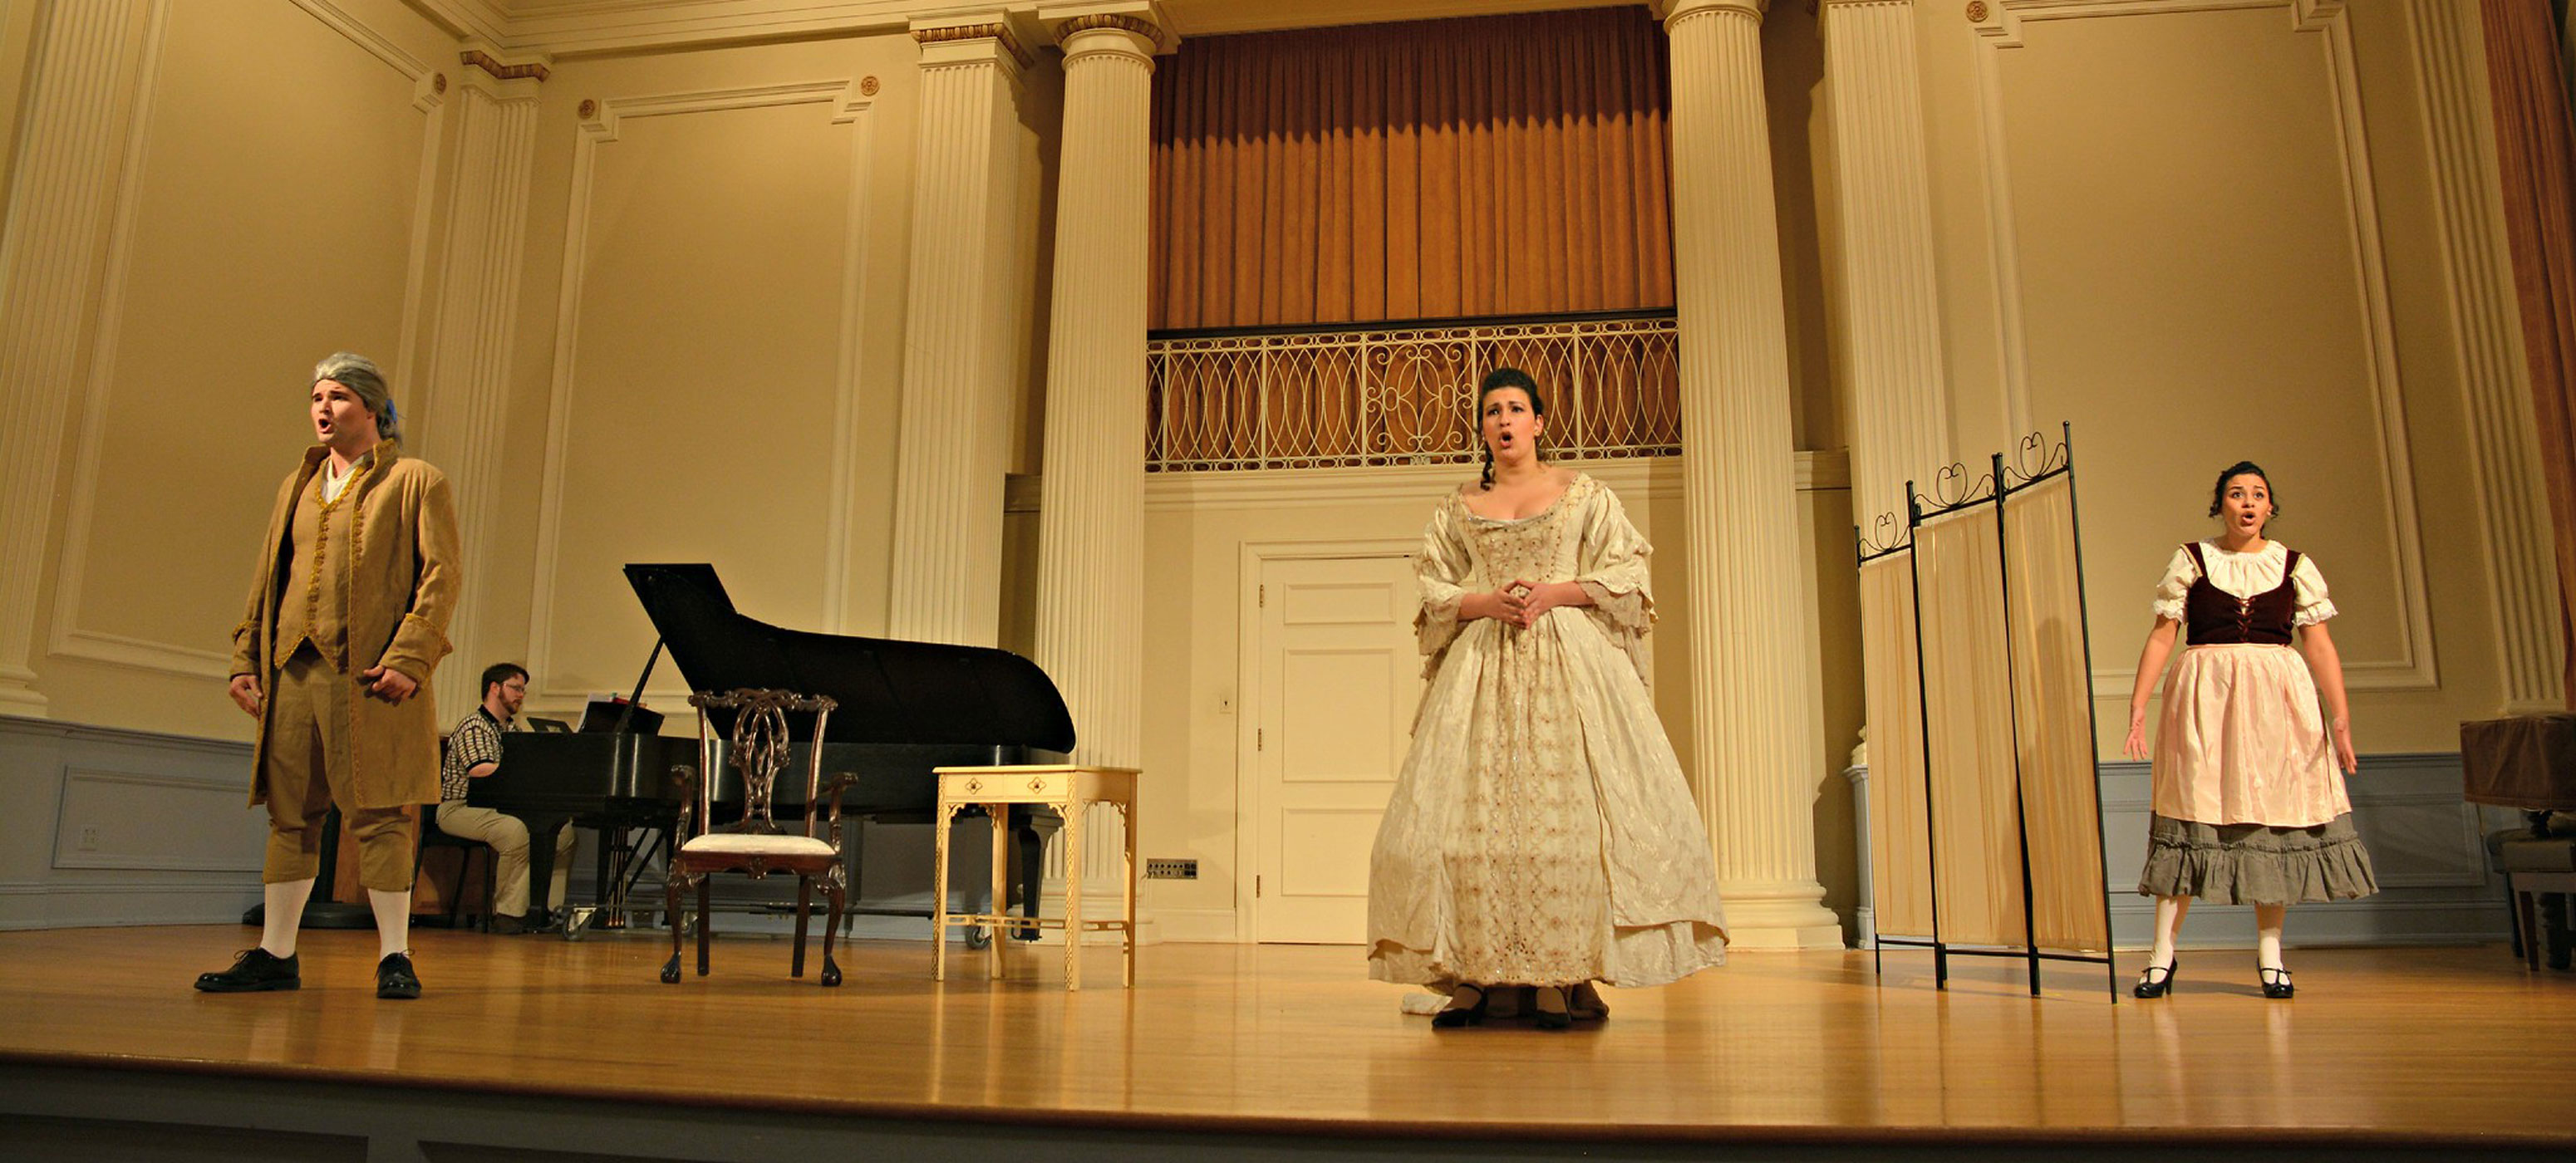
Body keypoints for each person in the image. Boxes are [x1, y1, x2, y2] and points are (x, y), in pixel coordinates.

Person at [1367, 366, 1728, 1029]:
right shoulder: (1459, 506)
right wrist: (1485, 601)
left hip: (1569, 661)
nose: (1503, 421)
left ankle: (1562, 975)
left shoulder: (1580, 492)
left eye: (1515, 409)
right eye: (1492, 411)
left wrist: (1555, 592)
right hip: (1483, 664)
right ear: (1483, 427)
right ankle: (1477, 975)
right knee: (1468, 825)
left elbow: (1626, 571)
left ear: (1538, 420)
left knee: (1570, 823)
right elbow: (1433, 587)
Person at [198, 353, 460, 1000]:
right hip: (292, 672)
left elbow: (440, 576)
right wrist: (244, 659)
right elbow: (270, 578)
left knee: (381, 816)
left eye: (339, 396)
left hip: (369, 677)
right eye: (317, 396)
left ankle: (395, 956)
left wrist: (409, 658)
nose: (324, 407)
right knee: (290, 817)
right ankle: (275, 955)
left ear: (372, 407)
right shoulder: (296, 485)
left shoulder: (415, 480)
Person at [2121, 461, 2377, 999]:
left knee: (2270, 817)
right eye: (2236, 494)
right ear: (2220, 504)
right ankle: (2161, 957)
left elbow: (2321, 646)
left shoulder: (2295, 565)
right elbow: (2164, 635)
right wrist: (2139, 704)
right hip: (2205, 696)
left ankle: (2270, 957)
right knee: (2191, 811)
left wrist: (2341, 715)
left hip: (2276, 701)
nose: (2247, 502)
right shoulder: (2192, 559)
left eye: (2257, 494)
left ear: (2269, 506)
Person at [436, 663, 578, 934]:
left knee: (564, 833)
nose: (520, 695)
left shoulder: (512, 731)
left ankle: (549, 911)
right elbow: (480, 770)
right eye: (515, 688)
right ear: (495, 688)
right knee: (515, 832)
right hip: (460, 808)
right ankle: (508, 913)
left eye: (523, 690)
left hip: (501, 808)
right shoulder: (474, 726)